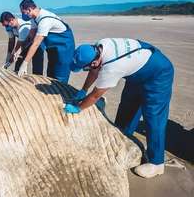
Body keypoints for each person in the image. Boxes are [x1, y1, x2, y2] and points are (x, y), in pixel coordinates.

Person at [66, 38, 174, 178]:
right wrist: (83, 90)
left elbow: (95, 96)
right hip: (137, 70)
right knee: (128, 105)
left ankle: (157, 163)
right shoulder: (100, 46)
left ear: (94, 61)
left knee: (154, 115)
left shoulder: (112, 68)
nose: (87, 70)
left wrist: (79, 107)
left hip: (158, 72)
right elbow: (94, 71)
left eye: (85, 67)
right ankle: (124, 137)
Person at [17, 0, 75, 83]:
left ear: (29, 10)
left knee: (60, 76)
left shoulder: (45, 20)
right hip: (52, 46)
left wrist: (25, 63)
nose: (23, 15)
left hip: (64, 46)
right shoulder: (34, 18)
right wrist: (20, 49)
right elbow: (31, 36)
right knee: (51, 73)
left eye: (23, 12)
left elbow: (36, 43)